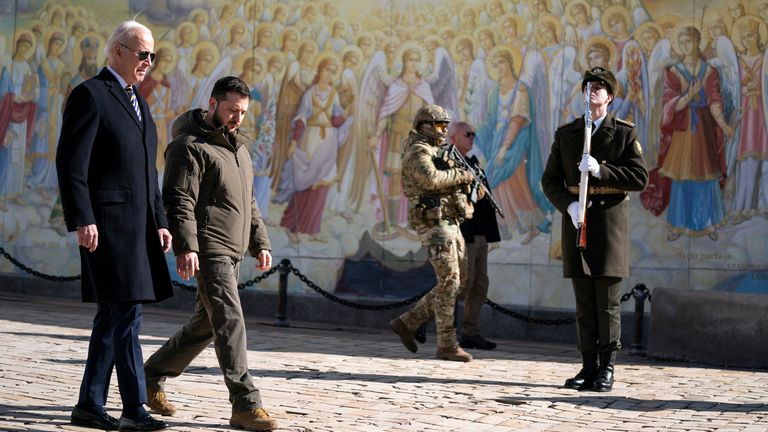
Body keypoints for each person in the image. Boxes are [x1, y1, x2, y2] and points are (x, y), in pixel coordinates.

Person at [142, 76, 278, 432]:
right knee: (230, 319)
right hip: (209, 249)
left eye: (243, 112)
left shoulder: (239, 149)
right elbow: (178, 199)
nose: (238, 117)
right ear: (213, 103)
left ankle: (151, 375)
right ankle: (245, 404)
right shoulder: (188, 146)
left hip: (233, 251)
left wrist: (260, 242)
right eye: (232, 109)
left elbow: (248, 201)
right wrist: (187, 246)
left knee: (205, 325)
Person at [55, 20, 172, 431]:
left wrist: (159, 220)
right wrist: (82, 217)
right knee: (125, 316)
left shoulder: (137, 100)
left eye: (152, 55)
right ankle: (135, 407)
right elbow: (72, 164)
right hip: (106, 225)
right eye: (143, 54)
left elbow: (146, 169)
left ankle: (89, 405)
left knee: (117, 314)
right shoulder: (91, 94)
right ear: (118, 51)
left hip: (138, 229)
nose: (148, 62)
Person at [541, 67, 648, 392]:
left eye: (599, 88)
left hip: (609, 225)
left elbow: (639, 178)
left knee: (607, 303)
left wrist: (602, 170)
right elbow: (549, 180)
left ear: (610, 96)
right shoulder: (568, 133)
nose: (592, 91)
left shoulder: (624, 133)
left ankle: (607, 368)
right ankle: (587, 366)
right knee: (585, 303)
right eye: (588, 86)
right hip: (577, 221)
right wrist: (569, 206)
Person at [388, 104, 475, 363]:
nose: (444, 130)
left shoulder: (439, 151)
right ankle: (447, 344)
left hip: (451, 221)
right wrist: (461, 175)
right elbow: (431, 180)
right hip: (433, 224)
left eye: (446, 125)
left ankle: (408, 322)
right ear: (424, 125)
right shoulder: (418, 150)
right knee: (449, 281)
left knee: (459, 283)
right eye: (439, 125)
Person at [450, 121, 501, 351]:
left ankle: (470, 332)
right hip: (464, 233)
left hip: (480, 233)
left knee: (479, 286)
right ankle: (424, 321)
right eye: (467, 134)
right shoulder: (448, 163)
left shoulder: (472, 163)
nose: (472, 138)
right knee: (461, 284)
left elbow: (483, 196)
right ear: (454, 137)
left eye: (473, 134)